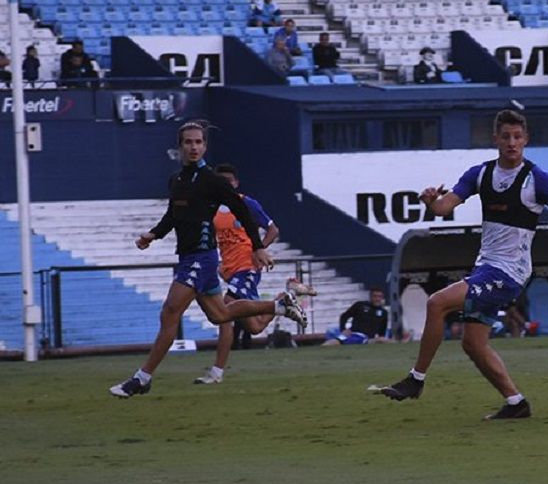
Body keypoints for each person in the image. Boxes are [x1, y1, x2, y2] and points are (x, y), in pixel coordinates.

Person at [375, 109, 548, 419]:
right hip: (486, 268)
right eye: (505, 136)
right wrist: (430, 202)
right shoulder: (480, 174)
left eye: (518, 137)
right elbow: (442, 207)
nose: (512, 142)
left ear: (526, 140)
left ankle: (416, 380)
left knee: (437, 302)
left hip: (510, 273)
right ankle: (517, 403)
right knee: (473, 343)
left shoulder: (538, 179)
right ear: (496, 139)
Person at [109, 121, 307, 398]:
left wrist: (259, 247)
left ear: (205, 146)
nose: (193, 147)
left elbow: (241, 208)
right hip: (189, 256)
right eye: (188, 142)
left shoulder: (212, 180)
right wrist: (153, 234)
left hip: (201, 257)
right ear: (180, 146)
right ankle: (279, 305)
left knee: (169, 312)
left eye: (198, 142)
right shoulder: (178, 181)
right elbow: (173, 216)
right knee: (220, 315)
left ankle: (142, 378)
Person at [194, 163, 316, 385]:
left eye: (229, 181)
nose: (226, 184)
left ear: (236, 183)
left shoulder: (246, 204)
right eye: (221, 181)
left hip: (247, 268)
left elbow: (273, 229)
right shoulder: (211, 208)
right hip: (231, 270)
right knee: (255, 326)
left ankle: (216, 372)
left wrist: (257, 251)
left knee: (225, 311)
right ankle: (284, 298)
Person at [324, 287, 392, 345]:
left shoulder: (383, 312)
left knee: (382, 340)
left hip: (366, 338)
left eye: (379, 297)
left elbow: (382, 329)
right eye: (375, 296)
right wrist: (343, 329)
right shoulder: (360, 305)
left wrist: (380, 337)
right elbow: (344, 316)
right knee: (332, 342)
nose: (377, 299)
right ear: (370, 297)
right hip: (351, 333)